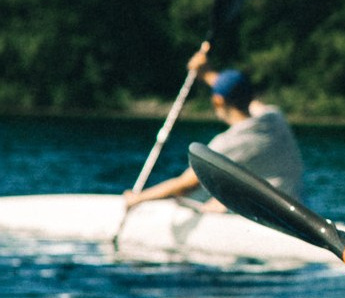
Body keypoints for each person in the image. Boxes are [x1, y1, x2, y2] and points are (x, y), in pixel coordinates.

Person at [123, 47, 304, 210]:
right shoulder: (274, 117)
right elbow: (241, 95)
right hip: (297, 210)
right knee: (218, 202)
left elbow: (185, 185)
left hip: (270, 221)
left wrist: (138, 198)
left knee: (211, 202)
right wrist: (207, 73)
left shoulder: (228, 143)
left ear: (217, 101)